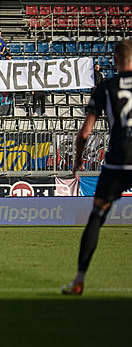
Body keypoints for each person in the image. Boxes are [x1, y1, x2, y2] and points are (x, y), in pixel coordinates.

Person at [63, 40, 132, 296]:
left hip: (117, 162)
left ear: (114, 60)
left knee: (96, 216)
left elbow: (85, 133)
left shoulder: (105, 87)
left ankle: (79, 280)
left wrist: (78, 159)